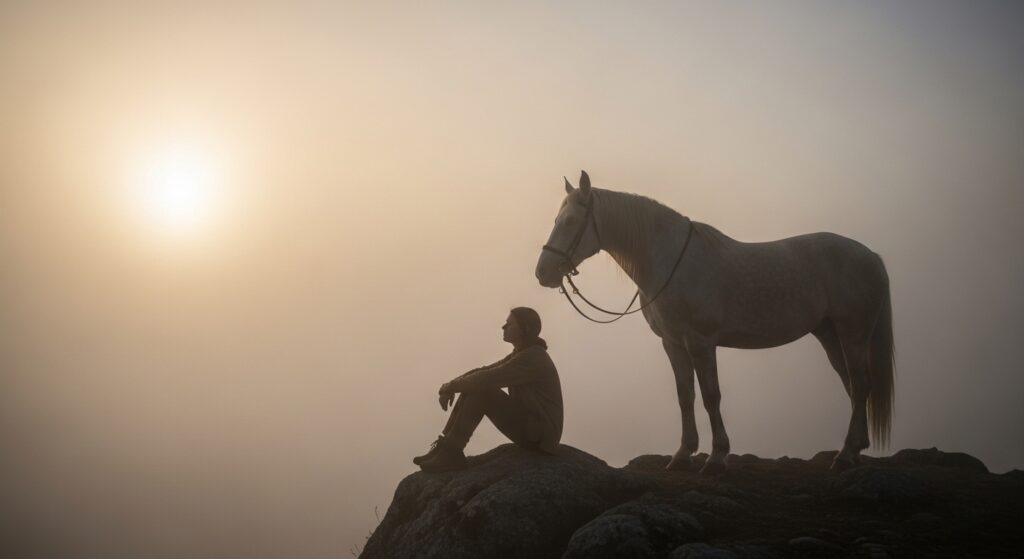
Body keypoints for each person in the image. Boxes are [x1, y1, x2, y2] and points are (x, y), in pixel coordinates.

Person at [414, 307, 563, 472]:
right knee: (473, 386)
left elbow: (487, 378)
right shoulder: (522, 353)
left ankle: (451, 452)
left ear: (524, 329)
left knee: (481, 390)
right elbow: (483, 371)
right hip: (532, 429)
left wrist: (450, 387)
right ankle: (446, 447)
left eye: (509, 324)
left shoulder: (533, 357)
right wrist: (450, 386)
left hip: (540, 436)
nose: (503, 327)